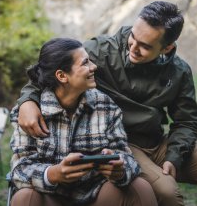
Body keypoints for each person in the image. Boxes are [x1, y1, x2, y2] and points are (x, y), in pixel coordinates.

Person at [14, 1, 197, 206]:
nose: (132, 48)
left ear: (167, 48)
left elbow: (187, 120)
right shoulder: (99, 52)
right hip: (121, 140)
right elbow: (51, 70)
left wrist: (174, 156)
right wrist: (27, 101)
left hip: (157, 141)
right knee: (167, 192)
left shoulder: (179, 71)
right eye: (133, 36)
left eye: (144, 46)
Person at [9, 38, 158, 206]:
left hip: (97, 196)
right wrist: (53, 174)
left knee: (140, 187)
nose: (94, 67)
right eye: (85, 63)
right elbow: (19, 170)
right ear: (62, 76)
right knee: (24, 197)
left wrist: (120, 169)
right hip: (50, 196)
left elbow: (126, 156)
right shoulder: (29, 114)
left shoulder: (106, 106)